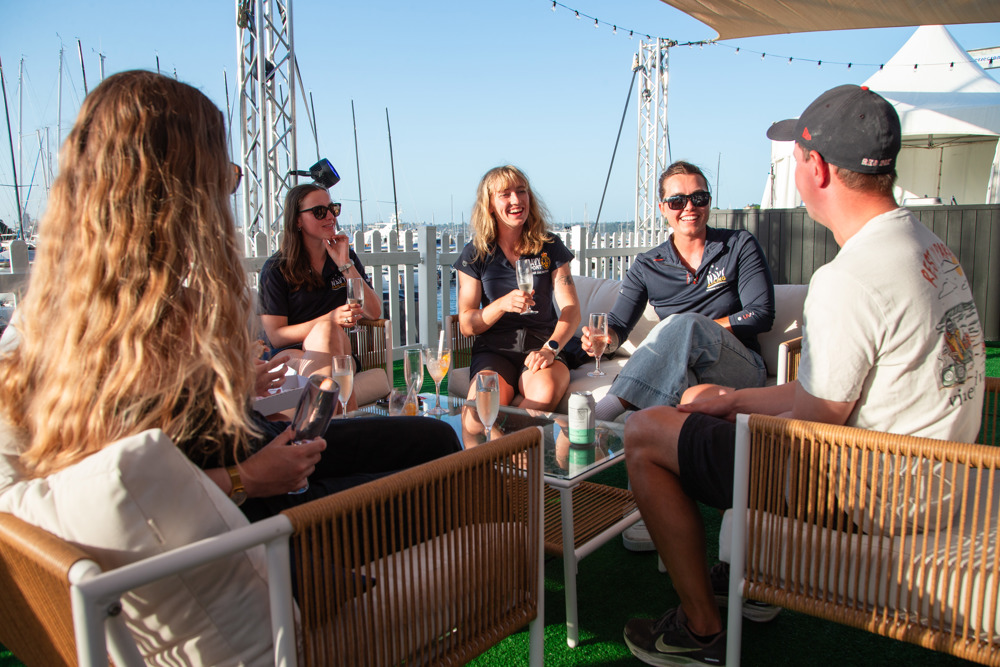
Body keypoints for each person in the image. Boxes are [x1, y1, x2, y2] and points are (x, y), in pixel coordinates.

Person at [621, 85, 986, 667]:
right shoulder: (928, 247)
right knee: (704, 407)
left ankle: (701, 630)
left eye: (794, 159)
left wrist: (725, 419)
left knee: (645, 434)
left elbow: (811, 430)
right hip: (942, 472)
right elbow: (834, 393)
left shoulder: (849, 278)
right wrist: (733, 399)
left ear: (816, 168)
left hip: (875, 495)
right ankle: (747, 577)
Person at [0, 70, 459, 523]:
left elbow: (176, 422)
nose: (226, 197)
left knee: (434, 439)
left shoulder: (159, 304)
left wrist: (234, 390)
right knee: (446, 478)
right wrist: (243, 478)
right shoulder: (85, 331)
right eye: (222, 177)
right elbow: (119, 488)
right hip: (253, 496)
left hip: (262, 440)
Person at [579, 161, 775, 552]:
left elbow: (761, 313)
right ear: (662, 208)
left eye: (699, 197)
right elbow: (618, 326)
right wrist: (600, 339)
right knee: (658, 403)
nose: (690, 207)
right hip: (683, 377)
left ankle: (605, 411)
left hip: (741, 369)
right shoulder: (648, 265)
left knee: (683, 324)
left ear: (708, 202)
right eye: (678, 200)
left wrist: (696, 328)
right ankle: (647, 511)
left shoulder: (738, 245)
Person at [454, 165, 580, 413]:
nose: (516, 200)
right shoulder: (475, 253)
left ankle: (508, 438)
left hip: (541, 345)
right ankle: (493, 439)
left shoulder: (549, 246)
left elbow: (571, 309)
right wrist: (501, 305)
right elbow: (467, 325)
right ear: (490, 204)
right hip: (495, 351)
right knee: (478, 414)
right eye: (505, 194)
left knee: (543, 394)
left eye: (521, 191)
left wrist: (550, 349)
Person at [257, 182, 382, 408]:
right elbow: (276, 336)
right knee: (328, 333)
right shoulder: (276, 269)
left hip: (339, 348)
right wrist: (331, 319)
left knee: (330, 335)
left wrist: (344, 264)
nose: (330, 217)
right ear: (297, 220)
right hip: (289, 354)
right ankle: (347, 420)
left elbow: (374, 312)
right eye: (319, 212)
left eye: (332, 209)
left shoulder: (344, 257)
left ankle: (324, 424)